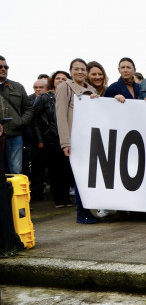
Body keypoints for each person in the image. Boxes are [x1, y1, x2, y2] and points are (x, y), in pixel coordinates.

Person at [55, 58, 100, 224]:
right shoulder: (64, 87)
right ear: (71, 71)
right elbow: (60, 116)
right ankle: (82, 213)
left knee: (88, 177)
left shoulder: (91, 89)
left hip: (90, 139)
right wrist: (65, 143)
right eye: (76, 69)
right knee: (79, 177)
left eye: (83, 69)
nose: (80, 72)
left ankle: (89, 210)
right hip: (75, 140)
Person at [31, 70, 73, 207]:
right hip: (51, 140)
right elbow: (35, 120)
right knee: (55, 171)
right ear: (53, 81)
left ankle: (66, 199)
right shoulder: (44, 98)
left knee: (66, 170)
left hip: (68, 138)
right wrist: (40, 139)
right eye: (58, 78)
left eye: (64, 79)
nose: (61, 80)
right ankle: (59, 200)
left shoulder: (70, 96)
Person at [0, 55, 33, 174]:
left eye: (6, 67)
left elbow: (29, 109)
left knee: (16, 170)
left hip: (15, 134)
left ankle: (15, 193)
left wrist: (20, 122)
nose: (3, 69)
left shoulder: (18, 87)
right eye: (0, 66)